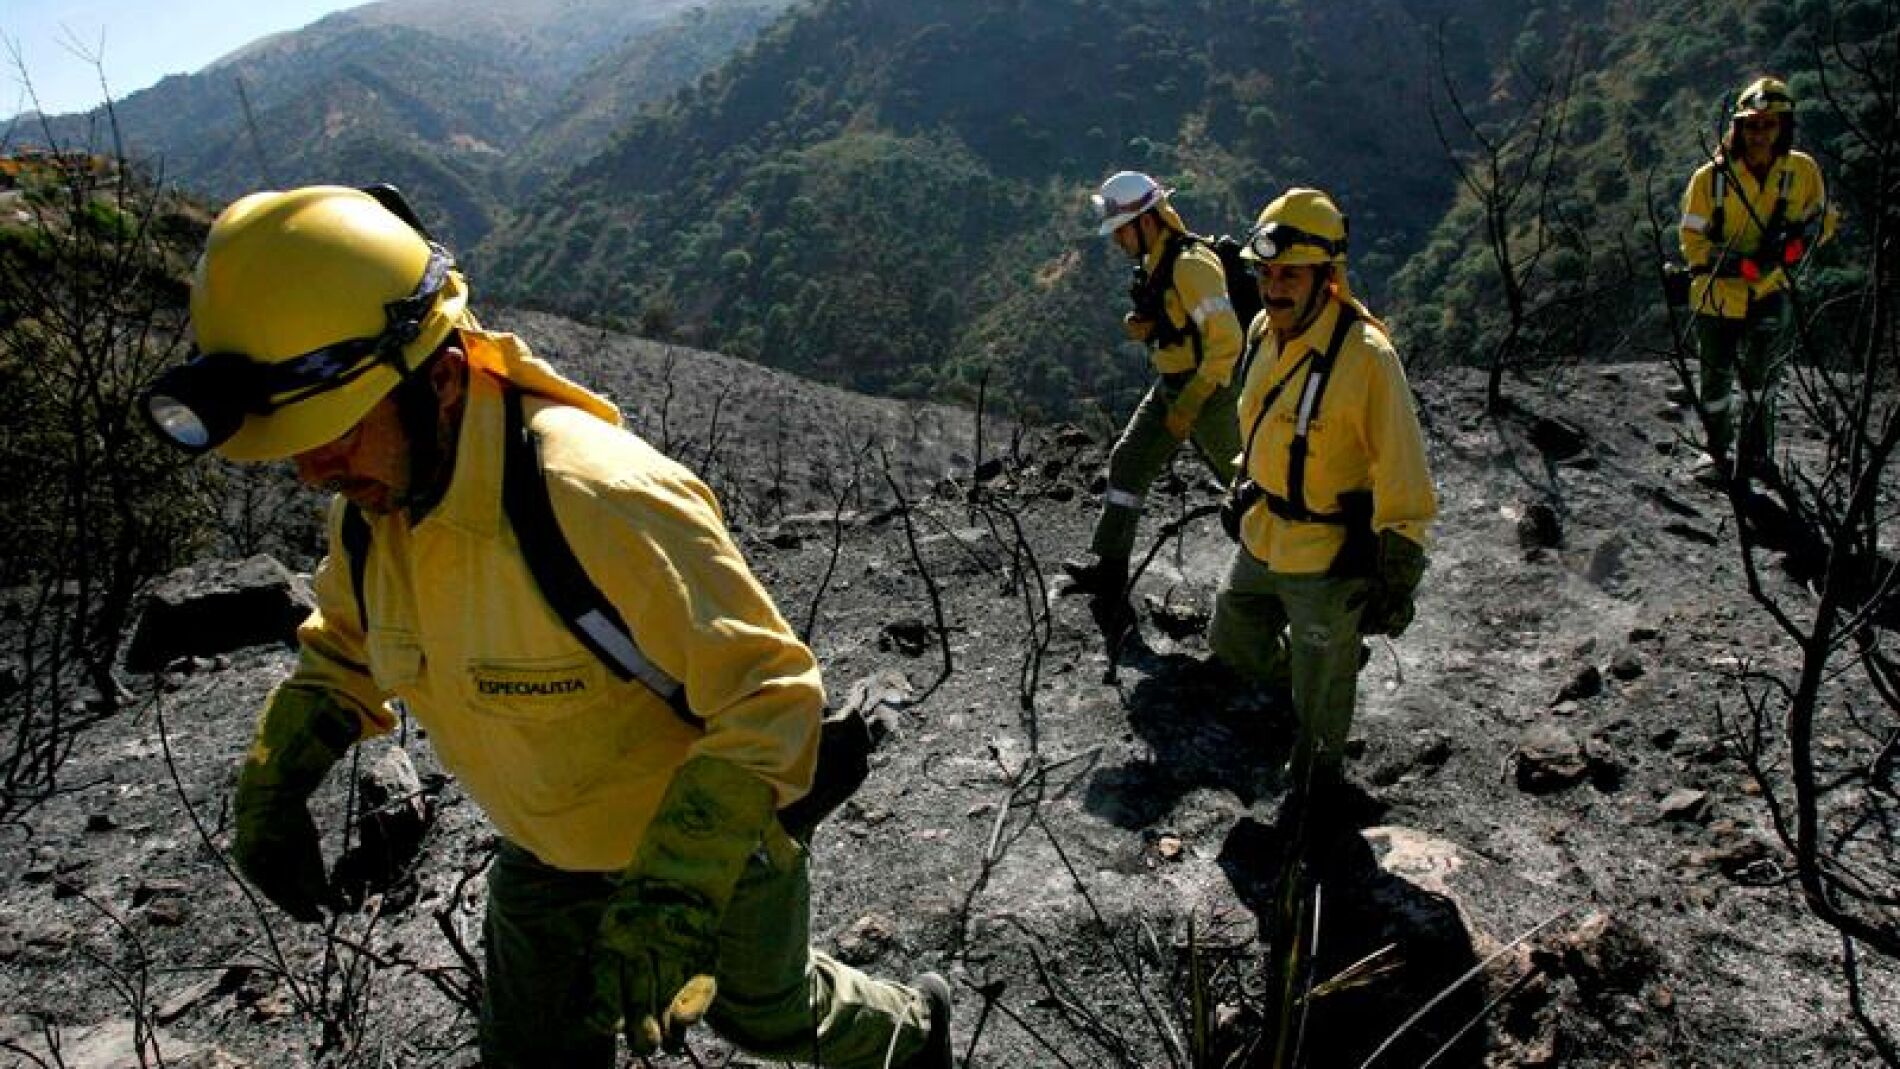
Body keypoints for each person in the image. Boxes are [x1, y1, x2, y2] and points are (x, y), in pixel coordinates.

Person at [141, 185, 952, 1069]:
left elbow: (771, 693)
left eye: (333, 431)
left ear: (443, 380)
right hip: (547, 851)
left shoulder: (594, 497)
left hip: (708, 842)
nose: (311, 471)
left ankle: (916, 1032)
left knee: (766, 1016)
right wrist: (275, 776)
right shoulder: (377, 509)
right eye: (294, 443)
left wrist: (677, 885)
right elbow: (346, 643)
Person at [1207, 188, 1437, 806]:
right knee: (1232, 639)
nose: (1273, 288)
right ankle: (1328, 666)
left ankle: (1315, 789)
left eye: (1290, 275)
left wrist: (1398, 568)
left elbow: (1402, 469)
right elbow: (1259, 419)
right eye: (1267, 273)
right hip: (1263, 531)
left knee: (1319, 702)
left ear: (1327, 279)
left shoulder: (1367, 360)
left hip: (1326, 555)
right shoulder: (1263, 331)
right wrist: (1241, 480)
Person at [1065, 170, 1244, 637]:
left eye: (1121, 229)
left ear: (1146, 221)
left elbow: (1226, 342)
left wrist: (1191, 402)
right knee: (1128, 464)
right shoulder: (1156, 262)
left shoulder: (1190, 265)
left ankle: (1289, 586)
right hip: (1172, 384)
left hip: (1210, 393)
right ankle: (1110, 571)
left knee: (1250, 489)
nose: (1117, 240)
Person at [1678, 75, 1835, 481]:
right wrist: (1738, 266)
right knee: (1714, 379)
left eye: (1768, 124)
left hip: (1771, 290)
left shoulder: (1801, 171)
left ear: (1783, 126)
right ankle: (1716, 454)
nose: (1759, 134)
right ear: (1739, 127)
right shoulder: (1709, 178)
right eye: (1751, 125)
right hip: (1716, 293)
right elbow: (1691, 239)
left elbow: (1823, 221)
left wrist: (1794, 249)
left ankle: (1755, 455)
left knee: (1762, 379)